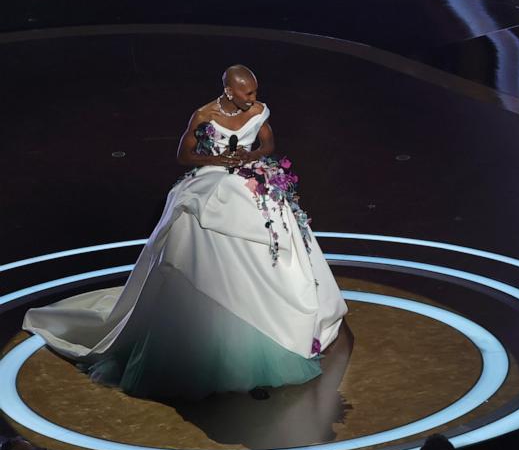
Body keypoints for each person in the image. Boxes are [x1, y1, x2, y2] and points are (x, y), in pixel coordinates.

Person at [23, 65, 348, 400]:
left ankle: (277, 321)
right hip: (212, 176)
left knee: (270, 220)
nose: (254, 97)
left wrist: (250, 158)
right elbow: (183, 155)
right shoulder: (204, 115)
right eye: (247, 92)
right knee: (193, 220)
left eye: (254, 90)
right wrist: (221, 161)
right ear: (228, 91)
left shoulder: (258, 111)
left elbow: (267, 144)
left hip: (248, 176)